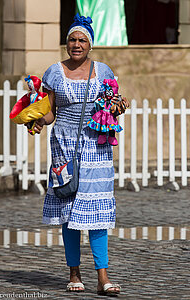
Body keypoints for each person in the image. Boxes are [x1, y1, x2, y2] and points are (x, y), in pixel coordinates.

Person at [32, 13, 129, 296]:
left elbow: (113, 106)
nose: (76, 44)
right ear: (66, 44)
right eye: (72, 40)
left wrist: (119, 107)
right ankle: (74, 272)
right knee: (69, 209)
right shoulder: (54, 72)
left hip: (96, 146)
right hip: (64, 144)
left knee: (97, 209)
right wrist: (36, 116)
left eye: (82, 40)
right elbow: (50, 114)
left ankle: (102, 277)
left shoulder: (104, 72)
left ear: (90, 45)